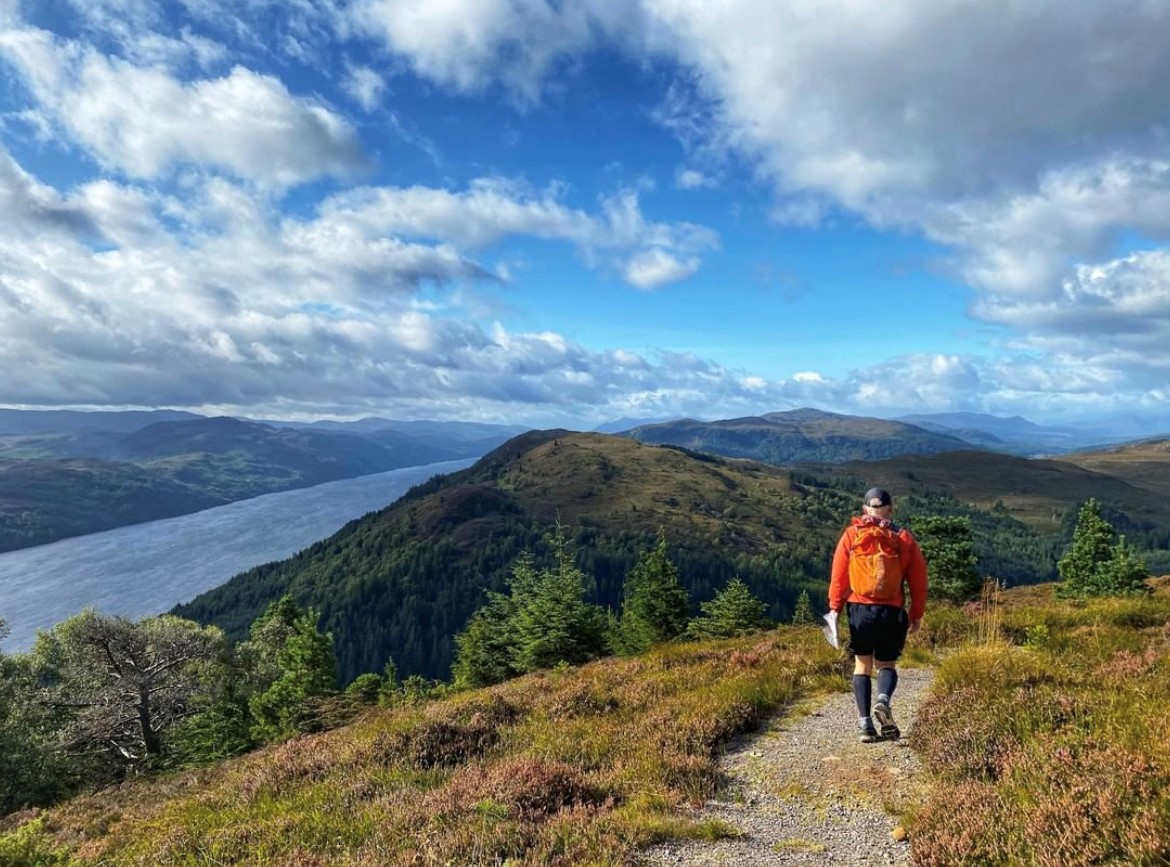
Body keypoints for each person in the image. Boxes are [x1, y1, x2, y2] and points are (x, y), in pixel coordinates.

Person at [828, 487, 927, 743]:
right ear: (890, 509)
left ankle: (865, 725)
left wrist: (835, 609)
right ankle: (883, 700)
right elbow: (918, 580)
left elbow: (839, 577)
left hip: (860, 610)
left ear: (865, 510)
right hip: (891, 611)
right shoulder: (903, 538)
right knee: (886, 664)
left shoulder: (852, 534)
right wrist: (916, 614)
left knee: (863, 664)